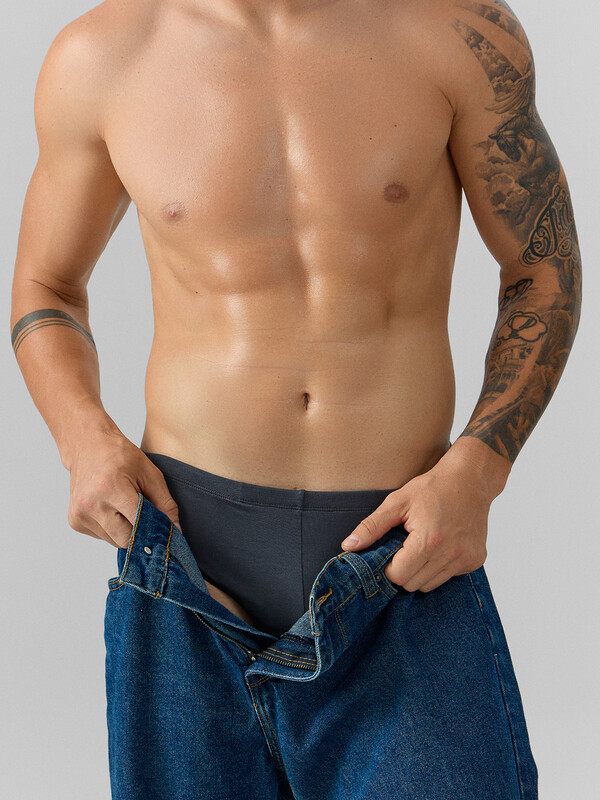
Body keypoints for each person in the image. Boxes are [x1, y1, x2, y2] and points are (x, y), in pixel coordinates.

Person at [10, 0, 581, 797]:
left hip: (401, 561)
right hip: (185, 566)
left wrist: (480, 471)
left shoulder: (457, 29)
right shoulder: (101, 54)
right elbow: (47, 284)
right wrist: (82, 440)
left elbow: (542, 270)